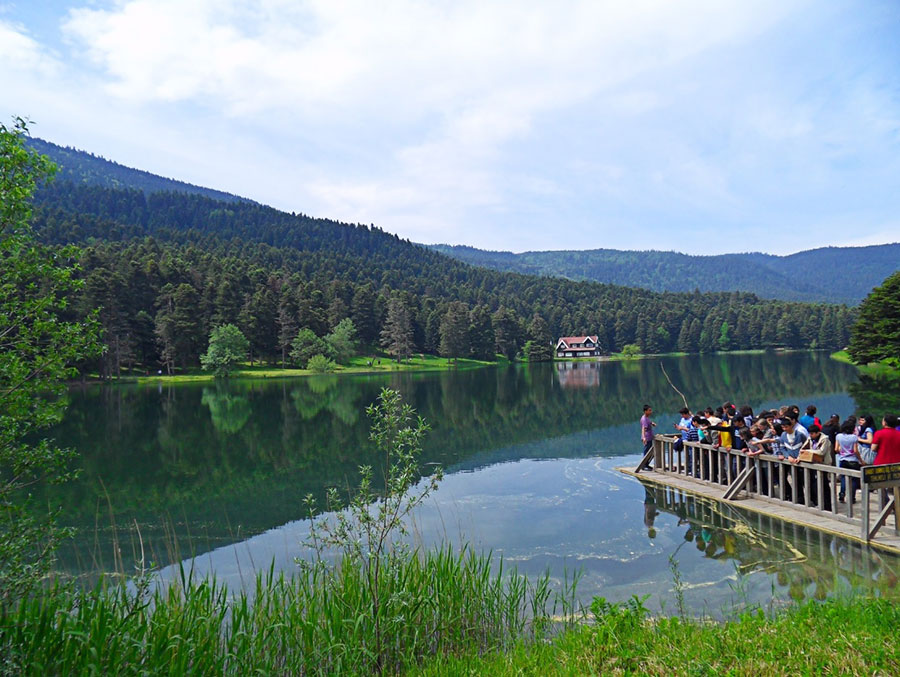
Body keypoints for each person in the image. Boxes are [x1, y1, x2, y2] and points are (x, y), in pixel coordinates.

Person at [836, 419, 861, 503]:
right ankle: (852, 497)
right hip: (853, 460)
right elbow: (855, 450)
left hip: (843, 460)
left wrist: (842, 453)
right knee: (854, 480)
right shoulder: (854, 437)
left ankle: (842, 493)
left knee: (843, 477)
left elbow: (836, 449)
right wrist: (861, 460)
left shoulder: (839, 436)